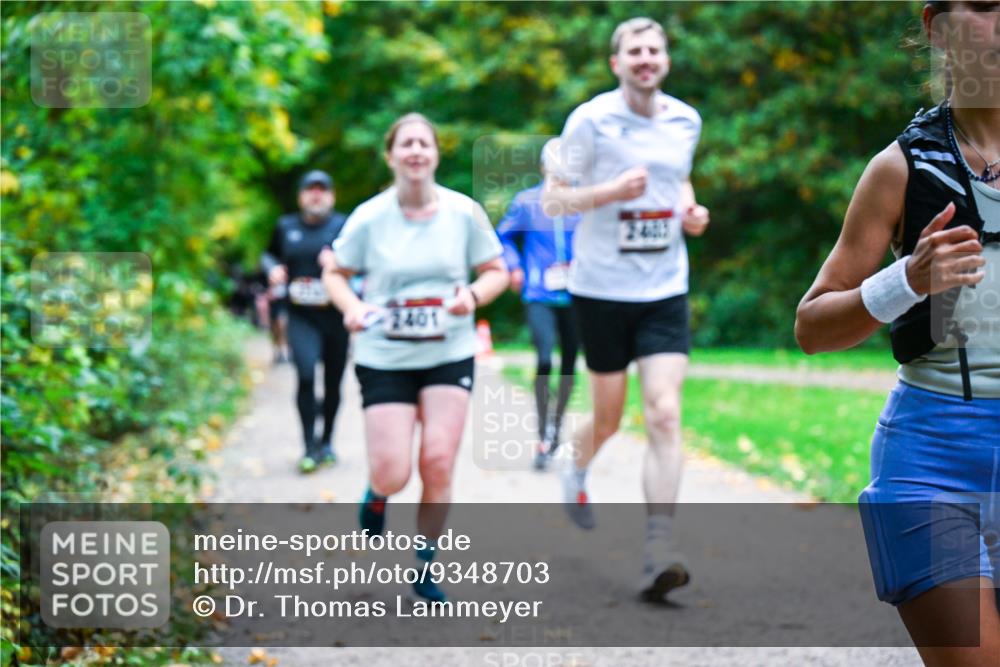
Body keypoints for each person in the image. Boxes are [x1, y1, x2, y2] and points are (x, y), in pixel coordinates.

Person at [795, 3, 999, 664]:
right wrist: (906, 281)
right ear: (938, 27)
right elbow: (812, 325)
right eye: (988, 7)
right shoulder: (900, 168)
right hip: (932, 456)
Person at [542, 17, 710, 602]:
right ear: (616, 62)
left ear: (665, 59)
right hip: (601, 288)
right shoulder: (589, 121)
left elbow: (677, 181)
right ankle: (577, 465)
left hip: (664, 285)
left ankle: (658, 549)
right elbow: (554, 198)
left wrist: (690, 211)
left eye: (654, 50)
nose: (645, 59)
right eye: (634, 50)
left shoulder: (685, 119)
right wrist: (609, 193)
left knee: (664, 412)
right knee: (609, 416)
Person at [323, 113, 509, 603]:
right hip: (384, 354)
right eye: (405, 144)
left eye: (423, 143)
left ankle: (425, 562)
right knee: (394, 469)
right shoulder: (369, 217)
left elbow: (496, 270)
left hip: (448, 350)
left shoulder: (463, 212)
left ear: (435, 154)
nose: (415, 152)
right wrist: (354, 306)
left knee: (439, 460)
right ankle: (378, 492)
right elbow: (335, 274)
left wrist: (470, 296)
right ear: (391, 156)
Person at [496, 139, 581, 471]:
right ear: (545, 168)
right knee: (545, 358)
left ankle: (556, 429)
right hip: (539, 293)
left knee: (571, 363)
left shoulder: (583, 203)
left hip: (577, 295)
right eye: (556, 169)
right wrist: (513, 265)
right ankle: (542, 433)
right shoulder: (527, 202)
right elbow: (502, 236)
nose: (562, 176)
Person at [260, 170, 350, 473]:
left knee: (334, 382)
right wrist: (272, 269)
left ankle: (327, 442)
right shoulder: (286, 226)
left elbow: (365, 263)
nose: (316, 195)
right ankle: (309, 447)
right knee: (307, 375)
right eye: (310, 190)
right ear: (301, 196)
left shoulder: (344, 226)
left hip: (336, 316)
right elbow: (267, 256)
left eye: (322, 190)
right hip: (301, 316)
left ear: (331, 196)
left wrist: (340, 264)